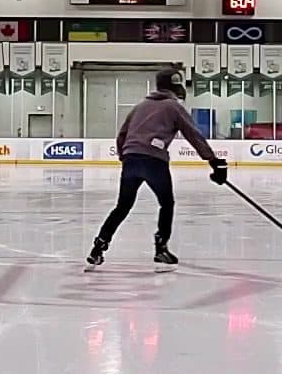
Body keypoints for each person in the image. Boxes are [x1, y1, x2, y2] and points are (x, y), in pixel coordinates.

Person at [88, 64, 228, 268]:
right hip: (154, 161)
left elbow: (122, 135)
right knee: (166, 203)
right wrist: (213, 161)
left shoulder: (139, 107)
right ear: (176, 87)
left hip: (131, 160)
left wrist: (125, 156)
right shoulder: (173, 107)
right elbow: (193, 134)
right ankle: (161, 248)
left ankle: (98, 247)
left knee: (122, 206)